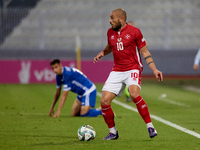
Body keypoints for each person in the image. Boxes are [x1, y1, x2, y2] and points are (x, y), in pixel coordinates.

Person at [94, 8, 163, 140]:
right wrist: (103, 52)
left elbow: (145, 52)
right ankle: (113, 132)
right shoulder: (110, 32)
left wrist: (155, 70)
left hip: (133, 68)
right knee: (104, 101)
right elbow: (110, 46)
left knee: (133, 94)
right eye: (110, 17)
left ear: (121, 19)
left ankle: (150, 126)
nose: (110, 20)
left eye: (112, 18)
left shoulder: (135, 32)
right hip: (117, 70)